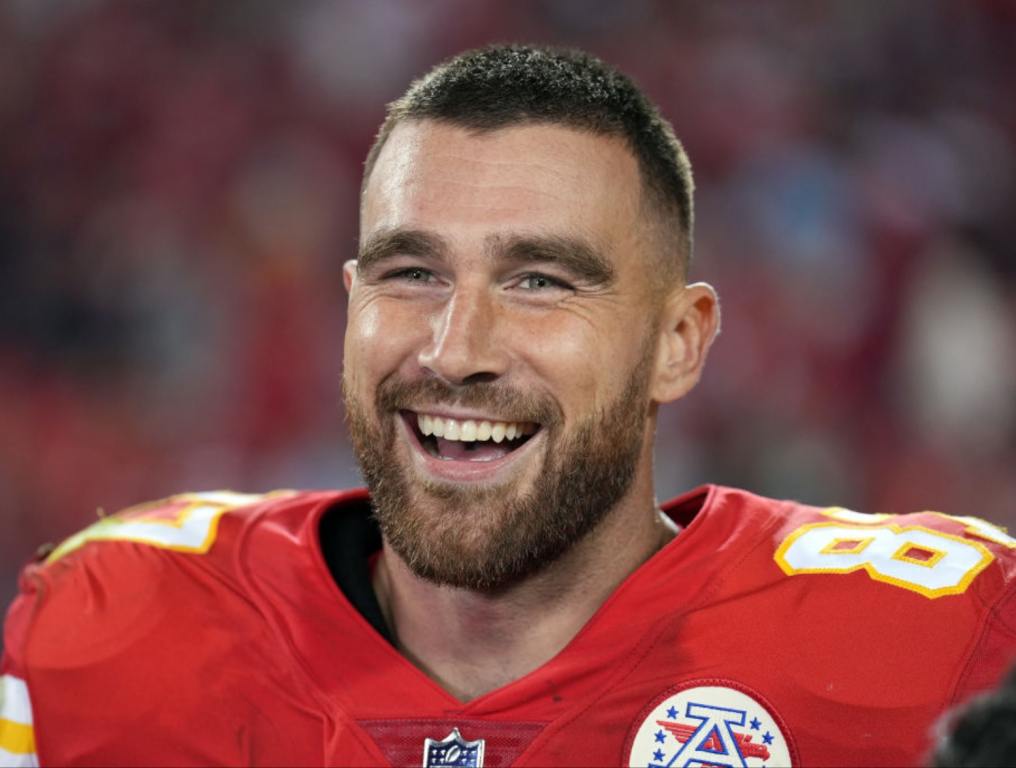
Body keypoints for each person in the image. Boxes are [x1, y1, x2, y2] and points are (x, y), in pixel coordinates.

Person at [1, 44, 1014, 768]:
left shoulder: (943, 645)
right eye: (410, 273)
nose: (455, 350)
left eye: (540, 281)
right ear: (348, 305)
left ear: (678, 341)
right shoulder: (111, 636)